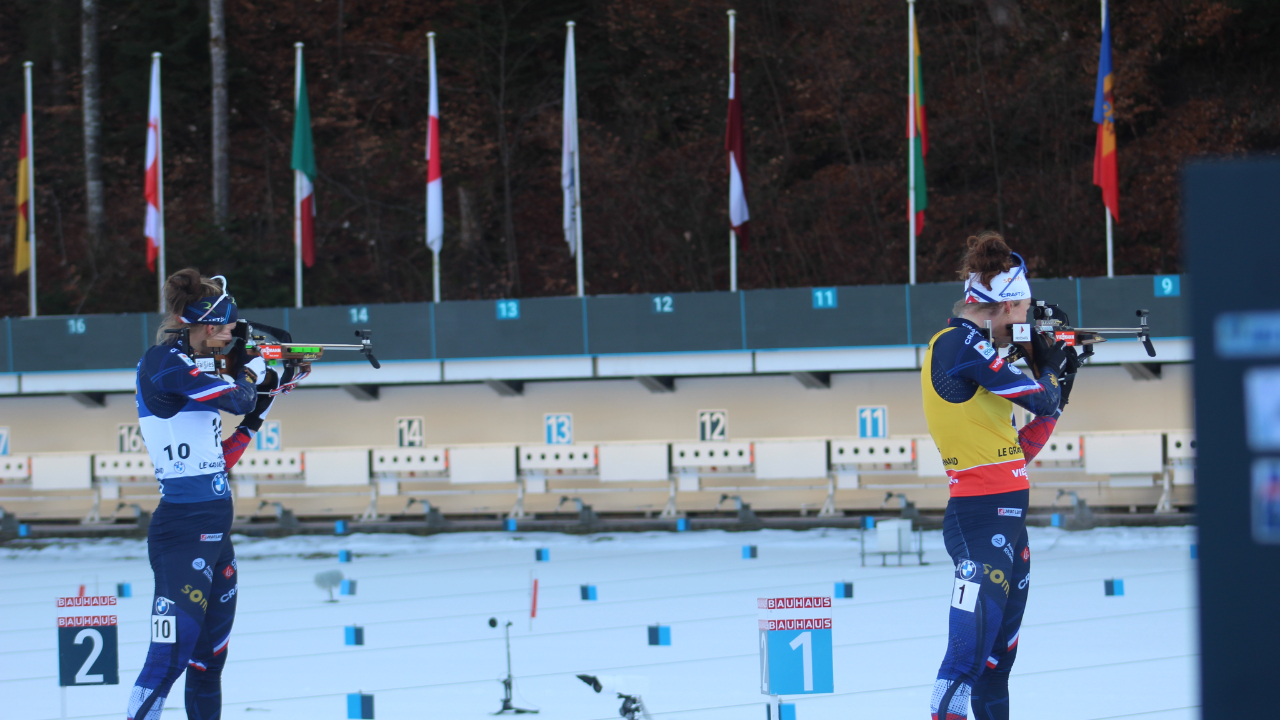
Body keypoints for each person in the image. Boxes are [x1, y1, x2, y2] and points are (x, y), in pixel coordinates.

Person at [922, 232, 1075, 720]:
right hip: (979, 519)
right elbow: (1039, 396)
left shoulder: (983, 356)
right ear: (1003, 307)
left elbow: (1018, 448)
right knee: (963, 666)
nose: (1025, 323)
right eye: (1023, 312)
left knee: (997, 666)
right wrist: (1049, 370)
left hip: (1009, 522)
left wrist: (1062, 374)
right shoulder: (958, 345)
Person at [127, 269, 292, 720]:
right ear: (201, 325)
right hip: (182, 532)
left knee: (208, 662)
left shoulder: (197, 368)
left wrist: (264, 405)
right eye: (226, 327)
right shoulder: (164, 363)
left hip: (215, 533)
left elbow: (216, 463)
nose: (232, 335)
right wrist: (256, 373)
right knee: (167, 662)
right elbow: (237, 398)